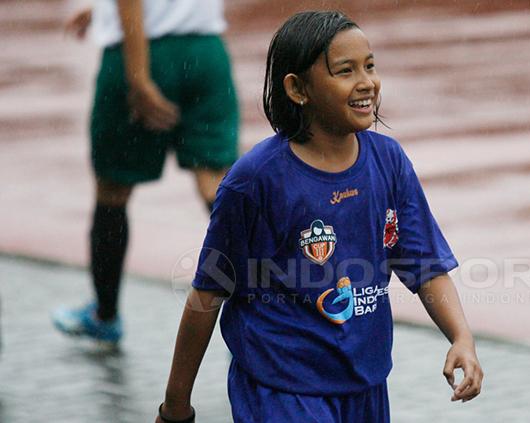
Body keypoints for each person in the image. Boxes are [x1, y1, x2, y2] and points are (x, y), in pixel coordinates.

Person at [156, 11, 483, 423]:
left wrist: (461, 337)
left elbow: (424, 265)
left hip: (365, 382)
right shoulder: (255, 180)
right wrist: (176, 407)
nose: (366, 82)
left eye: (370, 66)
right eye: (345, 71)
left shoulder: (389, 162)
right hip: (281, 387)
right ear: (297, 88)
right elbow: (207, 294)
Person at [52, 0, 239, 345]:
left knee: (112, 189)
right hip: (206, 52)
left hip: (142, 53)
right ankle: (262, 313)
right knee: (216, 184)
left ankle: (104, 316)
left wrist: (138, 79)